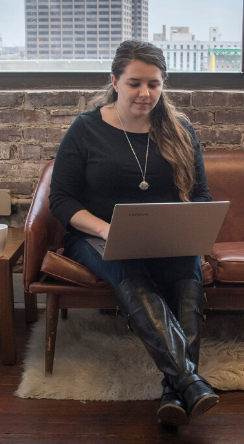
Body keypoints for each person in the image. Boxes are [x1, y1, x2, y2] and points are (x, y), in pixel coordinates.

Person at [49, 40, 218, 427]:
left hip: (166, 236)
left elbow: (200, 194)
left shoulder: (179, 129)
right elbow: (61, 200)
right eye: (135, 83)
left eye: (155, 84)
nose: (146, 93)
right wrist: (108, 229)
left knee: (188, 269)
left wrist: (191, 230)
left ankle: (175, 390)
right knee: (129, 270)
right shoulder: (85, 129)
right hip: (96, 235)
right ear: (114, 81)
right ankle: (189, 380)